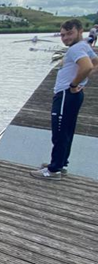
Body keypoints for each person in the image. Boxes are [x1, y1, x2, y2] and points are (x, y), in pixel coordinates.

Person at [31, 19, 98, 180]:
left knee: (59, 133)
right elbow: (95, 62)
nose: (65, 38)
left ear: (80, 31)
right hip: (72, 95)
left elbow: (88, 66)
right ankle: (61, 164)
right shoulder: (83, 46)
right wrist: (83, 81)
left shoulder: (76, 49)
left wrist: (75, 83)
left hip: (65, 95)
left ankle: (53, 171)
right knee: (67, 131)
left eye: (69, 33)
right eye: (62, 35)